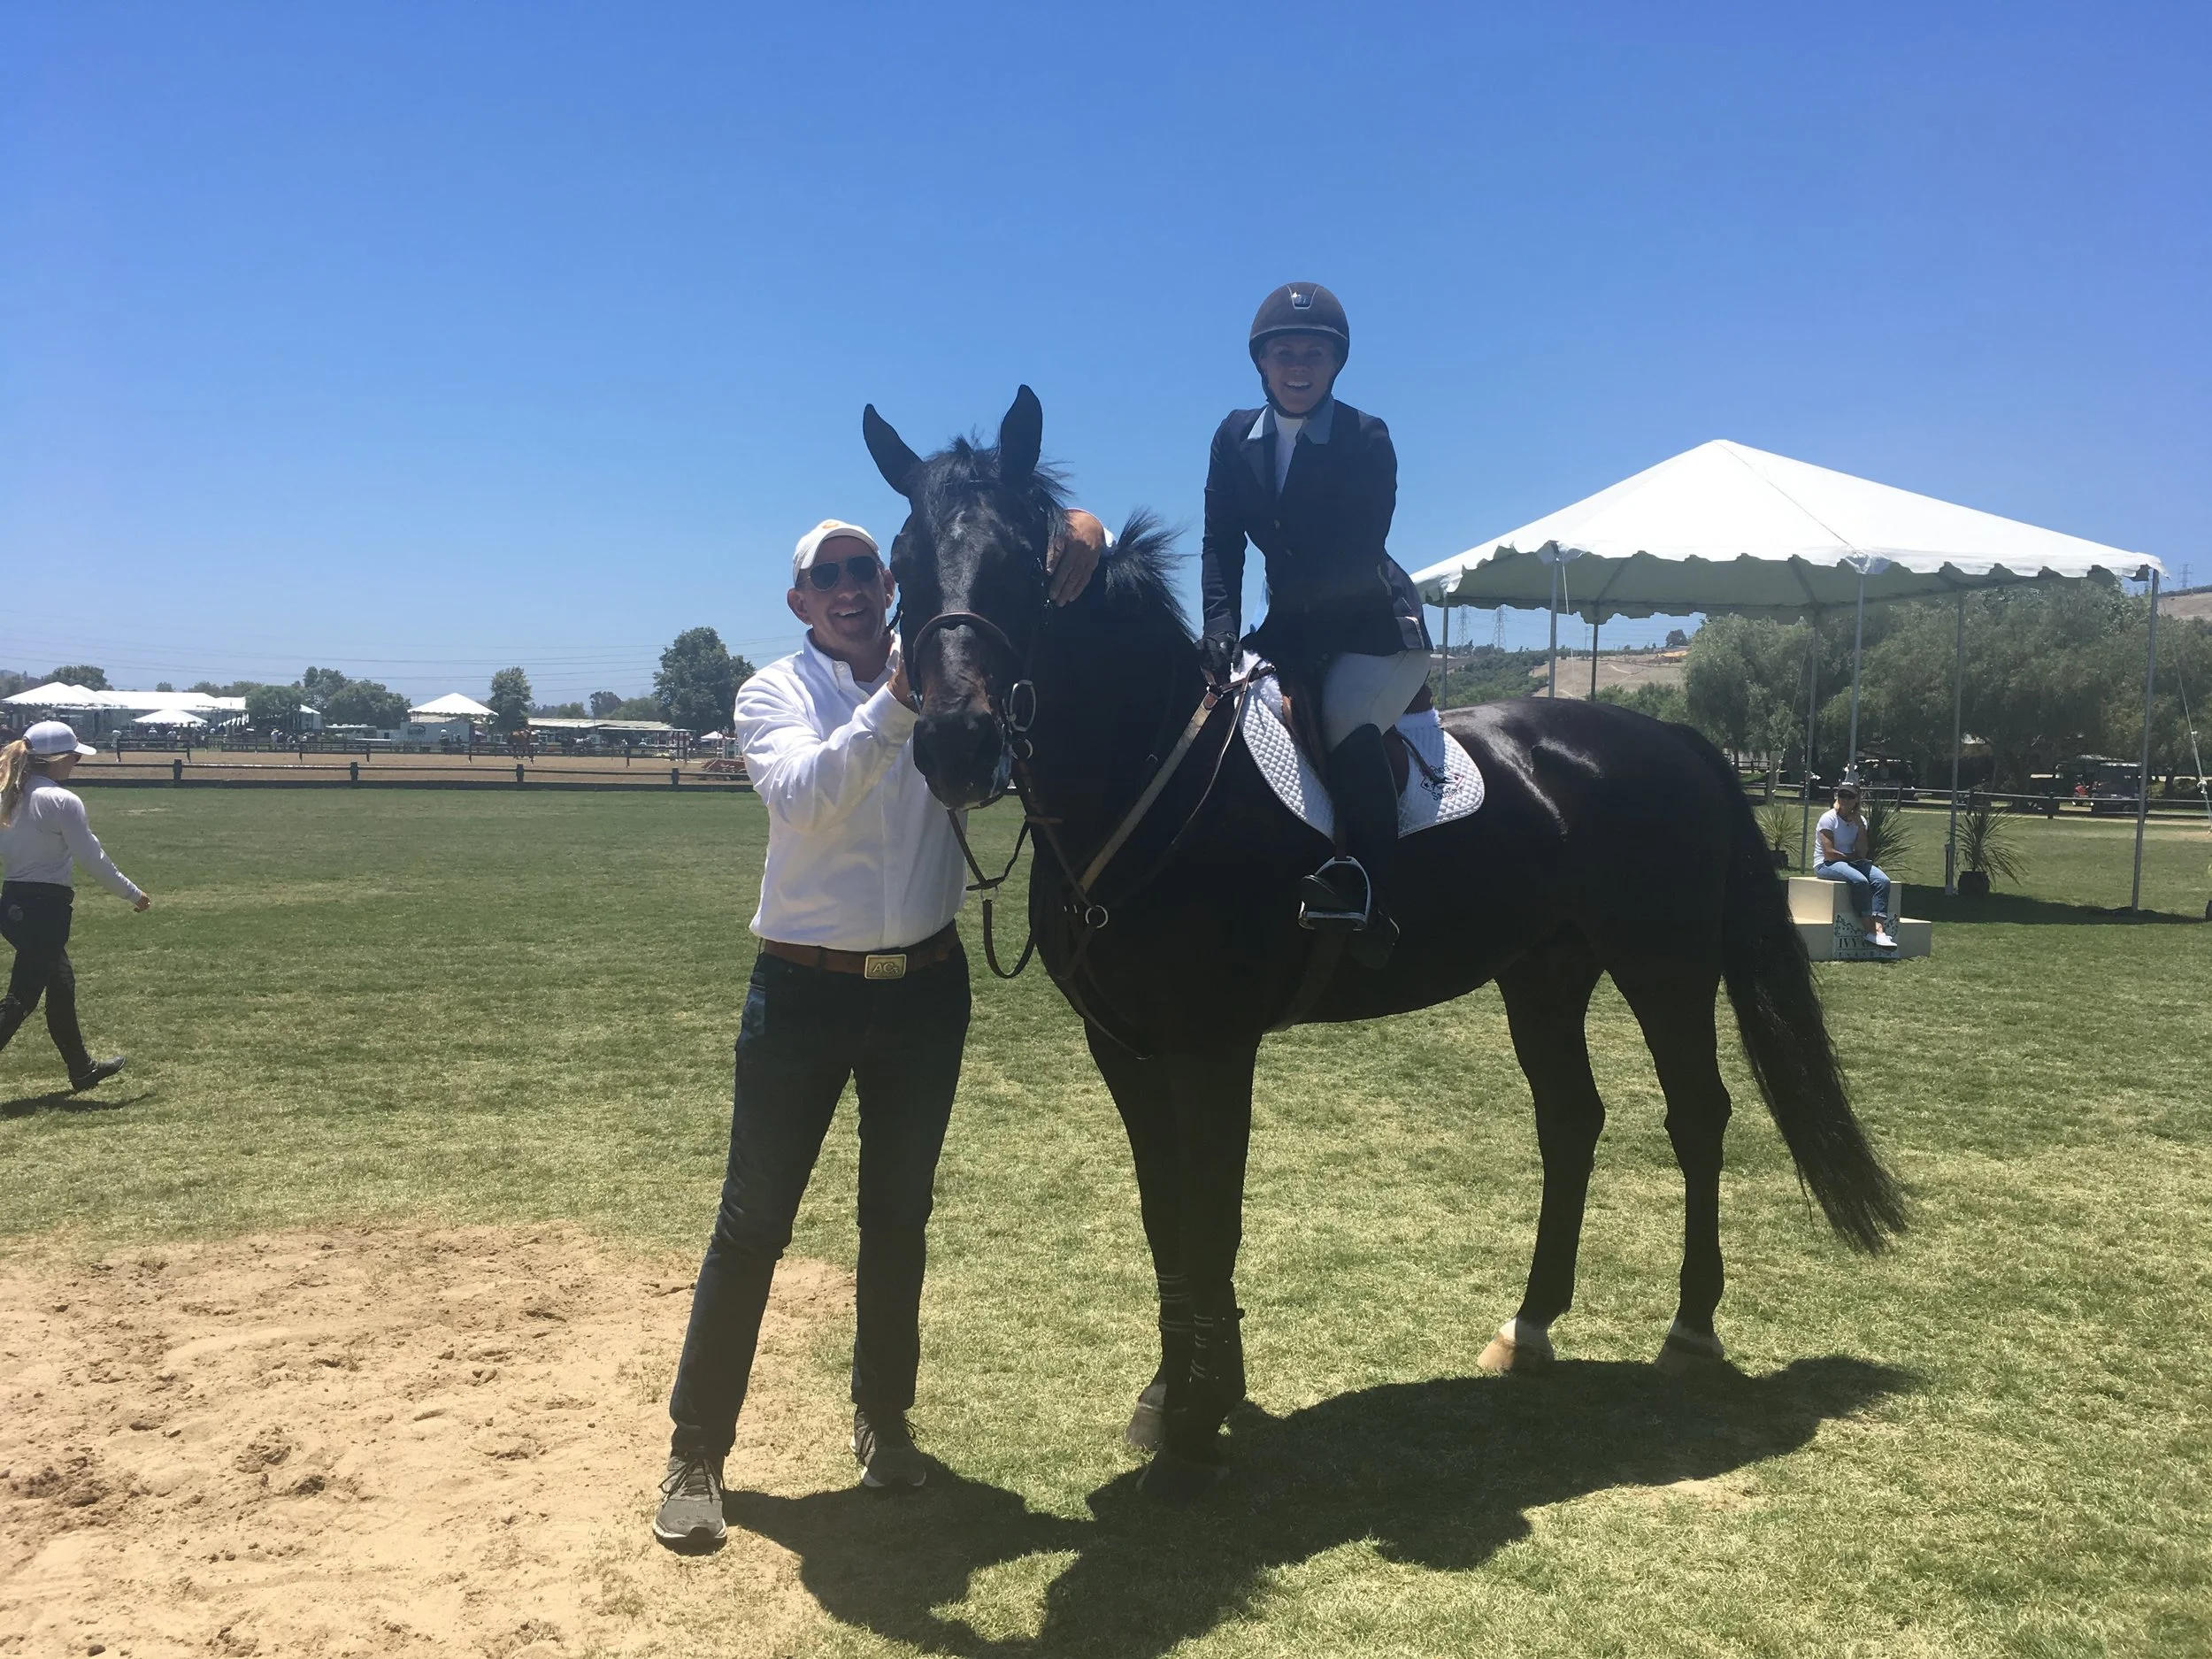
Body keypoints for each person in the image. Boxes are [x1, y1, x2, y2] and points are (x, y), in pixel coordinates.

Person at [654, 511, 1103, 1550]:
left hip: (926, 990)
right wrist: (898, 704)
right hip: (801, 994)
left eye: (867, 570)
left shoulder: (947, 668)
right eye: (831, 574)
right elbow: (807, 799)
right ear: (801, 601)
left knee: (898, 1219)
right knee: (753, 1224)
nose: (852, 586)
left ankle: (884, 1419)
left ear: (892, 584)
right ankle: (697, 1447)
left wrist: (1071, 528)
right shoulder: (773, 692)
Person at [1199, 281, 1434, 968]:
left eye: (1312, 352)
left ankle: (1371, 892)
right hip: (1289, 624)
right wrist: (1220, 628)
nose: (1297, 364)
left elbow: (1355, 557)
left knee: (1338, 716)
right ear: (1262, 362)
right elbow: (1221, 542)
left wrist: (1277, 641)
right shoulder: (1232, 438)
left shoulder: (1366, 439)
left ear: (1334, 364)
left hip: (1374, 628)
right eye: (1283, 352)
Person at [0, 721, 149, 1091]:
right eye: (75, 757)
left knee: (61, 983)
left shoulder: (9, 794)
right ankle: (81, 1068)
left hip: (13, 905)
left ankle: (81, 1069)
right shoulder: (60, 801)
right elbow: (92, 857)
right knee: (22, 999)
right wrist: (133, 893)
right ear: (59, 759)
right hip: (45, 909)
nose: (77, 763)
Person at [1815, 783, 1897, 949]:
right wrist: (1852, 858)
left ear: (1857, 799)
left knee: (1883, 881)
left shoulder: (1861, 821)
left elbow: (1862, 852)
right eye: (1842, 795)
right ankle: (1870, 931)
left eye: (1850, 796)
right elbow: (1829, 853)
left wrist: (1860, 827)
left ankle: (1879, 931)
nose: (1845, 799)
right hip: (1826, 864)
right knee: (1860, 881)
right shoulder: (1828, 818)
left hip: (1852, 861)